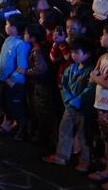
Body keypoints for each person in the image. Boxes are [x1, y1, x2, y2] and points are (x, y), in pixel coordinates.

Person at [43, 36, 95, 171]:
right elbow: (64, 84)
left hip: (84, 109)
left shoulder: (91, 71)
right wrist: (68, 99)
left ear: (87, 54)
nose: (73, 55)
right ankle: (61, 156)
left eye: (76, 52)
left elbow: (90, 89)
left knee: (84, 135)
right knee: (64, 129)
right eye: (72, 52)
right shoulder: (71, 68)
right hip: (70, 107)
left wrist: (76, 101)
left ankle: (85, 161)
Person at [20, 23, 55, 145]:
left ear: (33, 37)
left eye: (26, 33)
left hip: (40, 85)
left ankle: (43, 137)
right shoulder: (41, 48)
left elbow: (40, 68)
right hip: (40, 85)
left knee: (41, 111)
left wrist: (26, 71)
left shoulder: (37, 51)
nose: (24, 35)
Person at [0, 14, 30, 140]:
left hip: (14, 82)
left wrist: (13, 78)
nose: (5, 26)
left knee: (17, 105)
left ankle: (21, 130)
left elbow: (22, 65)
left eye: (8, 24)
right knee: (6, 103)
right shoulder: (8, 40)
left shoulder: (21, 44)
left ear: (15, 28)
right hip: (5, 79)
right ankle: (7, 123)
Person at [88, 24, 108, 183]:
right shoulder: (103, 57)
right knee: (105, 138)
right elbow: (93, 74)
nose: (101, 37)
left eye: (104, 34)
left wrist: (95, 77)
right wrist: (95, 77)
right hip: (101, 105)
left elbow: (96, 77)